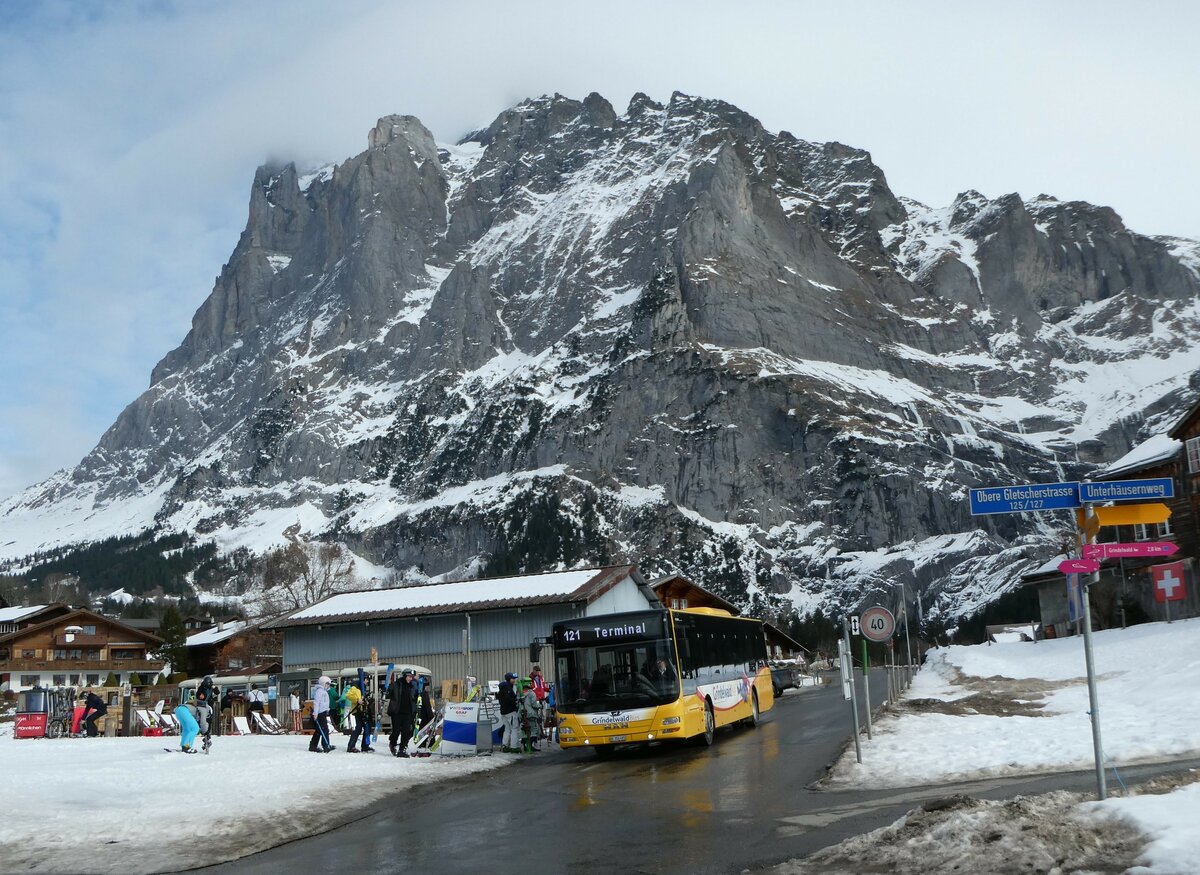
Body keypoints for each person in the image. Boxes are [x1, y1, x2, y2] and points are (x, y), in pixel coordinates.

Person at [386, 669, 418, 757]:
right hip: (397, 712)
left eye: (411, 677)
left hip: (408, 713)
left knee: (406, 732)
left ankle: (401, 751)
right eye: (409, 677)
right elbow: (389, 693)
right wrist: (387, 690)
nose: (410, 679)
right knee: (396, 731)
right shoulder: (396, 684)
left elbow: (415, 697)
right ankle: (392, 743)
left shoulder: (412, 686)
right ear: (404, 676)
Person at [308, 676, 334, 753]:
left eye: (329, 684)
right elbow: (316, 703)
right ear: (323, 683)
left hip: (323, 712)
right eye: (327, 684)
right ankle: (326, 745)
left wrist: (327, 710)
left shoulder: (324, 691)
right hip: (319, 713)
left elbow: (325, 703)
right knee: (324, 729)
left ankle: (314, 746)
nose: (328, 685)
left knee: (319, 730)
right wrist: (315, 713)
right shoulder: (319, 691)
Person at [498, 672, 520, 753]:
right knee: (514, 729)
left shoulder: (503, 688)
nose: (514, 680)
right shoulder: (508, 688)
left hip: (503, 712)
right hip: (510, 711)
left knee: (507, 729)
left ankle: (505, 746)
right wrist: (516, 699)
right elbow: (508, 700)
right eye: (513, 678)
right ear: (509, 679)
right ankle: (514, 747)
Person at [519, 677, 542, 753]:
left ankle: (525, 746)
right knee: (533, 730)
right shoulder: (531, 693)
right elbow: (534, 704)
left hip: (522, 714)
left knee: (524, 731)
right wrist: (540, 705)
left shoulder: (519, 693)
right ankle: (531, 746)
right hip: (531, 714)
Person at [342, 681, 365, 752]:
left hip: (361, 710)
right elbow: (348, 695)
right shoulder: (355, 688)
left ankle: (364, 745)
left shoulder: (361, 688)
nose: (367, 682)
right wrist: (357, 700)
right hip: (357, 710)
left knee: (362, 728)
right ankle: (351, 746)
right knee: (358, 729)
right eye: (366, 679)